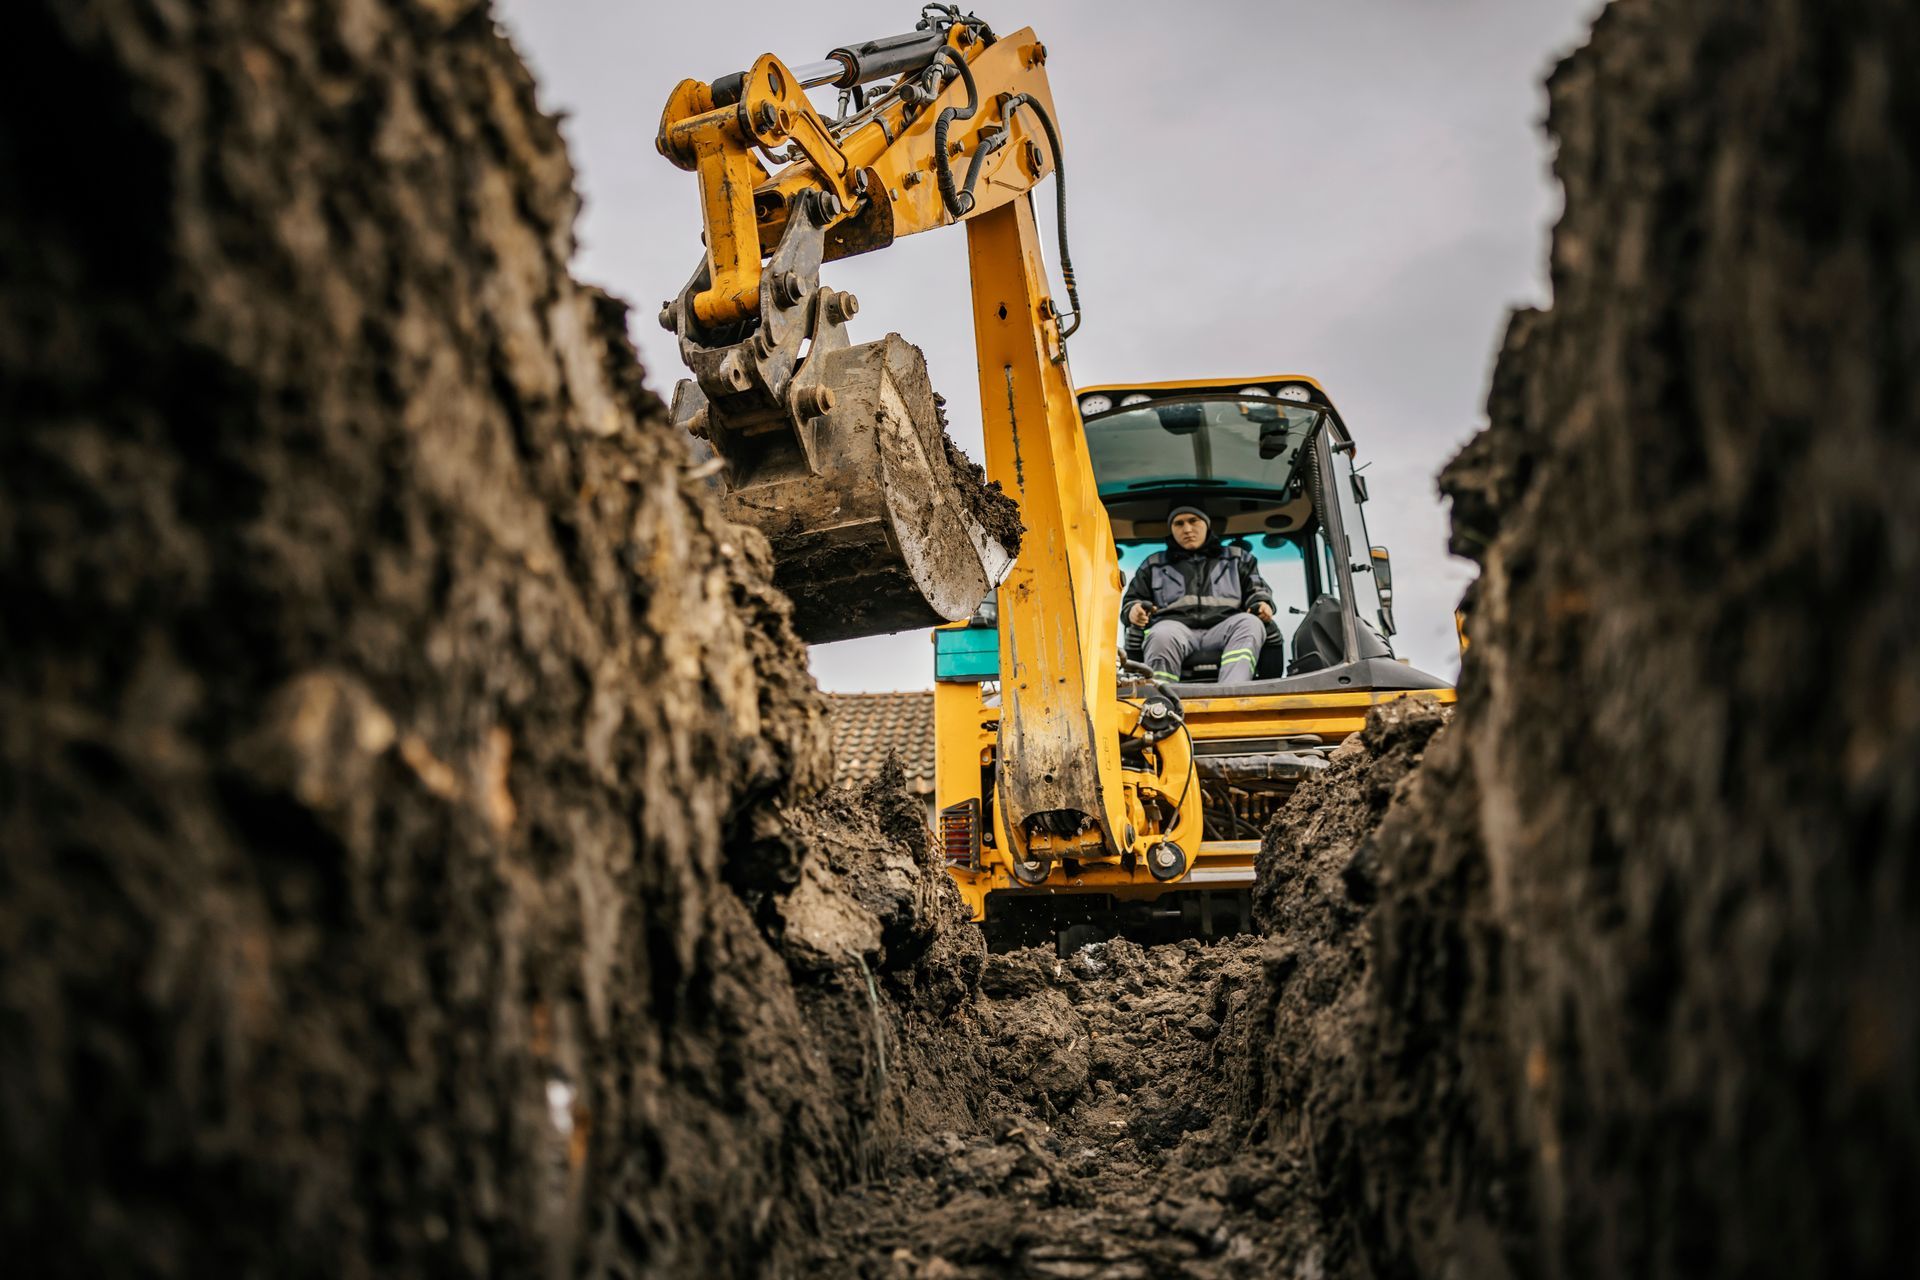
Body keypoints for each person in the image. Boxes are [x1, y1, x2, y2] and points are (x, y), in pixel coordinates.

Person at [1122, 505, 1275, 684]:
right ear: (1171, 529)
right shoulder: (1152, 564)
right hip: (1176, 630)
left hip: (1224, 628)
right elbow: (1132, 601)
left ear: (1206, 524)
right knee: (1161, 634)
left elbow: (1257, 591)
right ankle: (1161, 699)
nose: (1187, 529)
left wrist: (1263, 604)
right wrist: (1134, 610)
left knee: (1250, 623)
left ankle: (1233, 693)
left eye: (1193, 521)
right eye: (1179, 523)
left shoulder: (1239, 559)